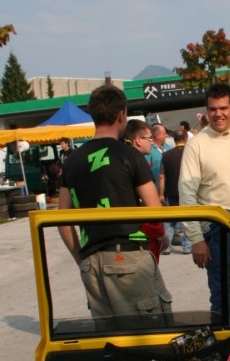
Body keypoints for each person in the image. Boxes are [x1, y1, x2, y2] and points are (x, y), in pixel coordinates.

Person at [58, 84, 171, 319]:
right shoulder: (129, 154)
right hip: (127, 255)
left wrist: (81, 258)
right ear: (121, 115)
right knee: (154, 333)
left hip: (91, 262)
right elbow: (154, 209)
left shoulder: (72, 160)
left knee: (111, 343)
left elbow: (62, 219)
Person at [179, 82, 230, 324]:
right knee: (223, 301)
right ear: (206, 111)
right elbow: (186, 193)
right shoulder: (197, 144)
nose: (218, 114)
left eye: (223, 108)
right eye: (213, 109)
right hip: (219, 228)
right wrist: (196, 238)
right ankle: (225, 357)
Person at [123, 119, 170, 263]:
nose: (152, 142)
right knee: (149, 271)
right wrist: (161, 234)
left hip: (127, 233)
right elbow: (149, 206)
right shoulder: (137, 160)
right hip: (142, 231)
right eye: (149, 138)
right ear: (138, 140)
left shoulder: (122, 158)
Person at [158, 128, 191, 254]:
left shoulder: (166, 155)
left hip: (171, 192)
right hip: (187, 191)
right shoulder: (190, 153)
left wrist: (161, 194)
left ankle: (166, 247)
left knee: (169, 222)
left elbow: (161, 176)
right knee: (188, 220)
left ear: (174, 140)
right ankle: (187, 247)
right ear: (186, 139)